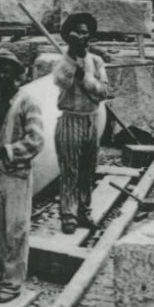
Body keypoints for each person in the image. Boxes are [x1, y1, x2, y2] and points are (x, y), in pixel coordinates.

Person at [0, 49, 44, 302]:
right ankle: (2, 274)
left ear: (18, 75)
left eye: (7, 71)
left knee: (17, 228)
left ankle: (14, 282)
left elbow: (36, 141)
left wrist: (6, 150)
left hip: (17, 175)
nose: (1, 76)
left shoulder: (27, 102)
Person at [53, 12, 110, 234]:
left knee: (88, 168)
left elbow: (103, 91)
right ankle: (68, 214)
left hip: (91, 119)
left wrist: (85, 76)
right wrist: (72, 59)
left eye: (86, 33)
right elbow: (62, 82)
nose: (82, 37)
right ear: (68, 36)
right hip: (70, 119)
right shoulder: (61, 63)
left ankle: (84, 211)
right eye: (77, 33)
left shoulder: (96, 62)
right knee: (70, 169)